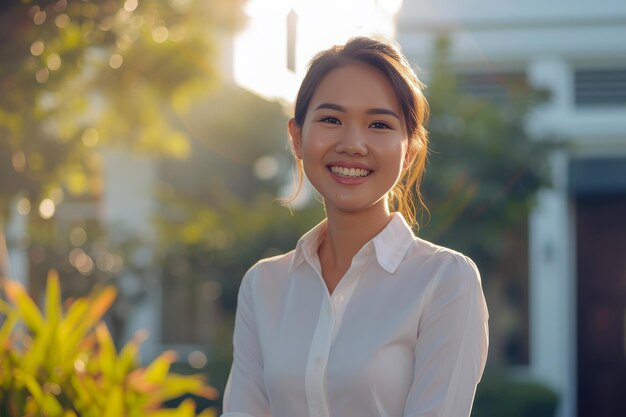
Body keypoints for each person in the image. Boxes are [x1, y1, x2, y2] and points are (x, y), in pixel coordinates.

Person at [221, 36, 489, 417]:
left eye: (379, 124)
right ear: (297, 137)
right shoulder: (263, 285)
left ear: (409, 150)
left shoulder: (445, 280)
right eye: (331, 119)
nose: (353, 144)